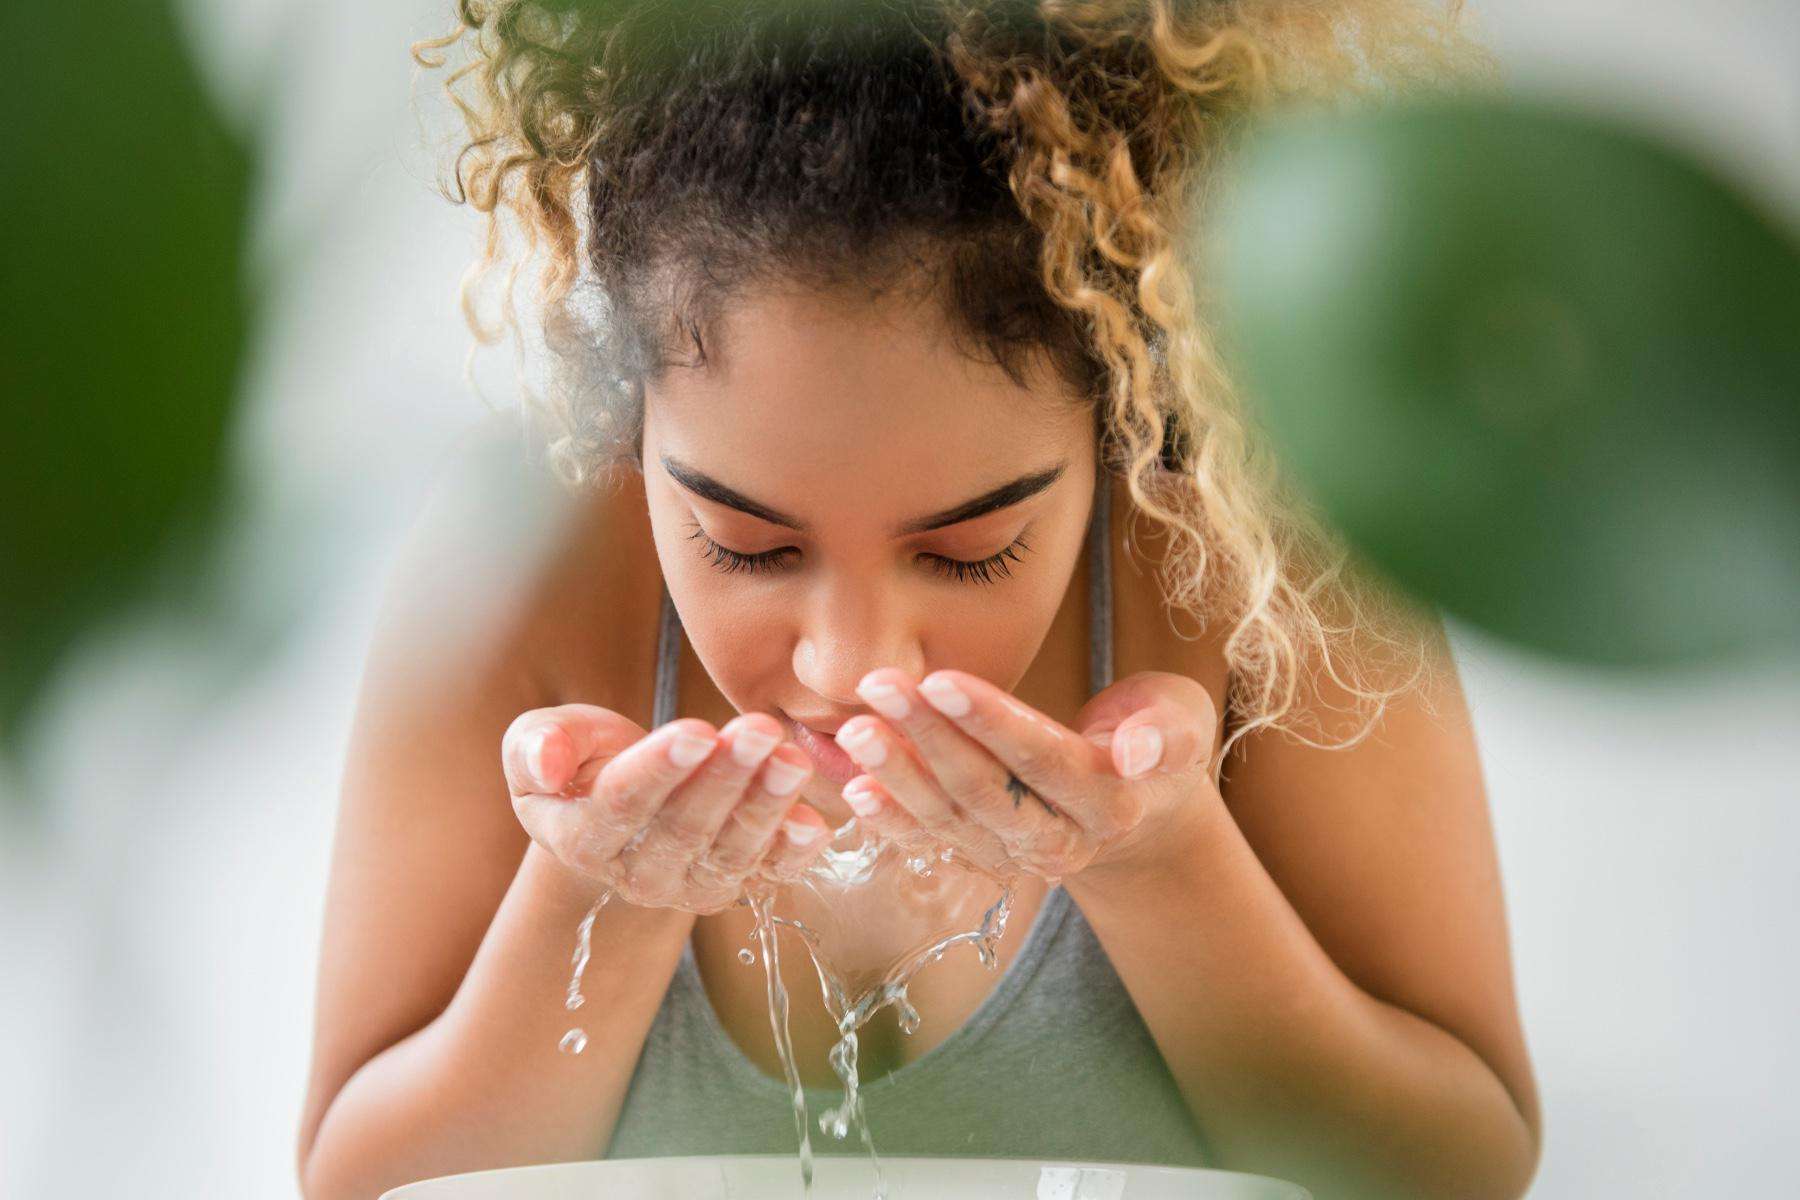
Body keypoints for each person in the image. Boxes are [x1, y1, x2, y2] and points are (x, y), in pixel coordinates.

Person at [297, 2, 1541, 1198]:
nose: (849, 666)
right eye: (742, 543)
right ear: (633, 420)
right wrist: (602, 898)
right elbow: (363, 1187)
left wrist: (1157, 864)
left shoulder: (1259, 562)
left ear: (1117, 410)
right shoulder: (518, 581)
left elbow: (1456, 1172)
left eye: (969, 551)